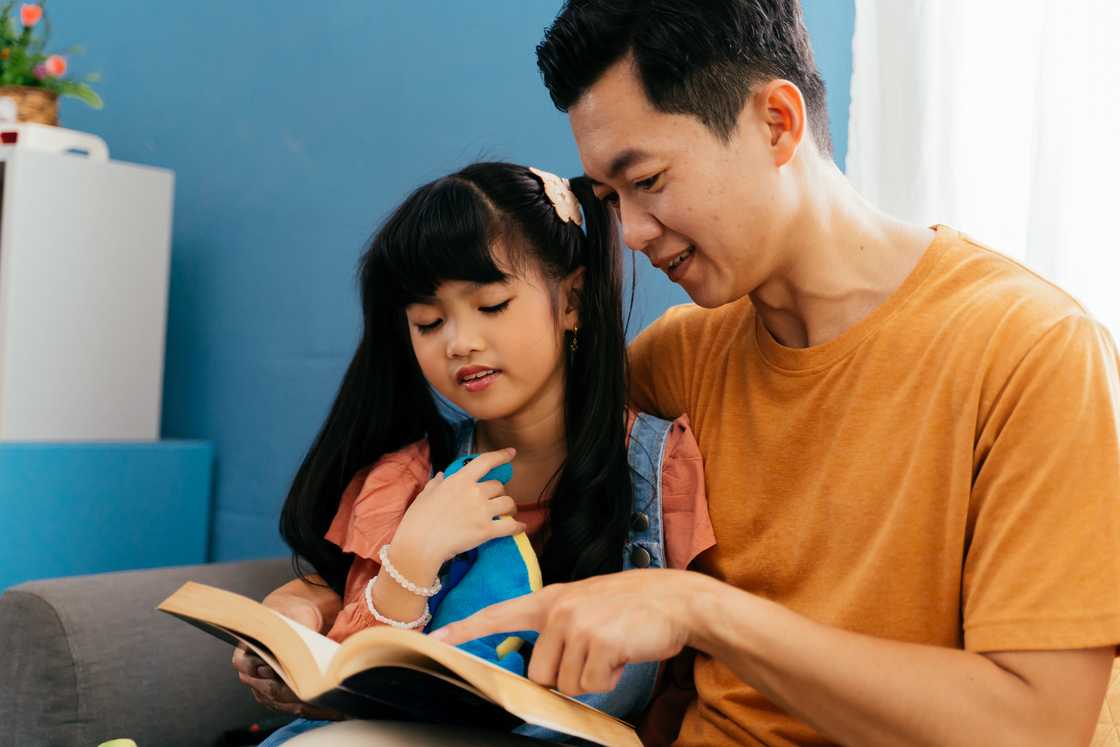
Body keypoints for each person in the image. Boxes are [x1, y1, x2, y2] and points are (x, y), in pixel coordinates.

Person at [434, 2, 1120, 745]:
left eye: (650, 179)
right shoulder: (679, 359)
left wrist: (699, 608)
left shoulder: (1035, 352)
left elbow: (1037, 727)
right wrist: (321, 595)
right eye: (609, 200)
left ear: (776, 123)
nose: (629, 233)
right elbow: (495, 475)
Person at [231, 161, 715, 744]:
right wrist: (408, 565)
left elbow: (695, 672)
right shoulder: (410, 477)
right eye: (429, 322)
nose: (460, 342)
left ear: (573, 301)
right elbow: (352, 681)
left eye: (490, 306)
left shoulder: (659, 469)